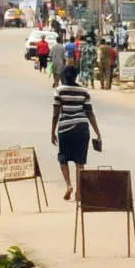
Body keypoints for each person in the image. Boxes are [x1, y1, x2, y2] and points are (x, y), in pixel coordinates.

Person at [50, 64, 102, 200]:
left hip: (65, 128)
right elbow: (90, 113)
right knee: (80, 161)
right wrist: (98, 133)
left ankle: (68, 185)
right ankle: (79, 191)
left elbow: (55, 114)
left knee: (63, 158)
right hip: (82, 128)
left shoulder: (59, 90)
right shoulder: (84, 91)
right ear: (76, 76)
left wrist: (52, 132)